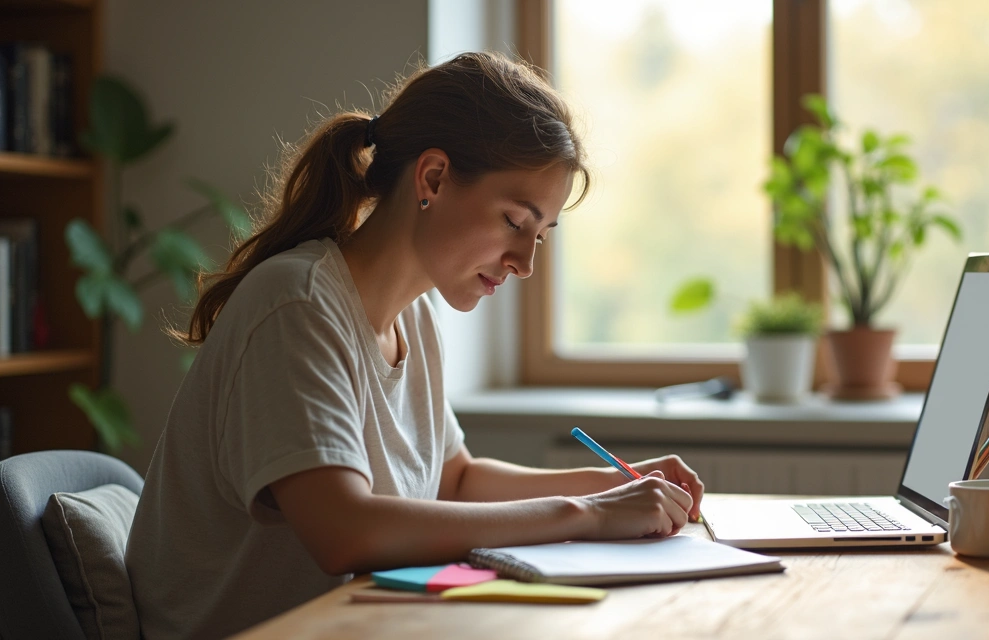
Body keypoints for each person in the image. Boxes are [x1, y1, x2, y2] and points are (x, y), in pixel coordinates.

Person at [124, 51, 705, 639]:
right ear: (432, 178)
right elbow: (345, 531)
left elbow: (456, 481)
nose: (526, 262)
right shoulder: (297, 304)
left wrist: (615, 485)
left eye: (540, 235)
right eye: (513, 221)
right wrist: (584, 515)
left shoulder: (415, 315)